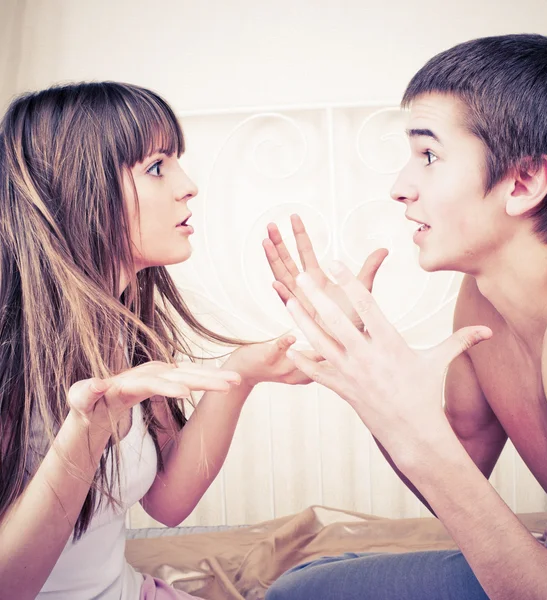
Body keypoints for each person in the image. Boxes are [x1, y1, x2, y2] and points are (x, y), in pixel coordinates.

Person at [264, 33, 547, 599]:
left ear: (524, 181)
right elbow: (457, 471)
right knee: (298, 591)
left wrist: (401, 411)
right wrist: (367, 373)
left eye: (428, 156)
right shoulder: (482, 297)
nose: (399, 187)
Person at [0, 81, 328, 600]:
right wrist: (89, 429)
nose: (189, 185)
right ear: (79, 189)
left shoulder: (132, 335)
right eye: (157, 166)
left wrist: (240, 374)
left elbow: (167, 504)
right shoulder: (10, 355)